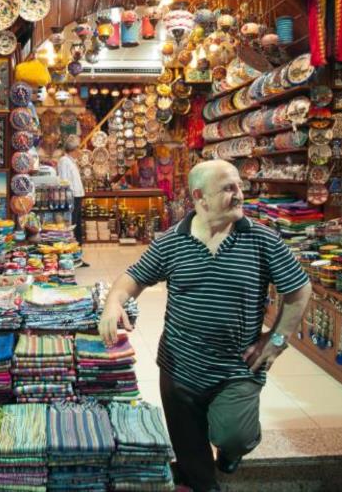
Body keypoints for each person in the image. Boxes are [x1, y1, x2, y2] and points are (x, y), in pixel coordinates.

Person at [98, 159, 312, 492]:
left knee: (235, 435)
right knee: (189, 446)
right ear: (200, 197)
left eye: (240, 186)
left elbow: (299, 291)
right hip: (179, 364)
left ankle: (230, 453)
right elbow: (132, 279)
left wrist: (278, 339)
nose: (240, 195)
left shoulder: (262, 240)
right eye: (229, 188)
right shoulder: (173, 241)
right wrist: (113, 303)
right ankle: (203, 483)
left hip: (237, 365)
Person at [57, 135, 89, 266]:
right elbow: (64, 182)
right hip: (72, 198)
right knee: (72, 228)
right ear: (74, 149)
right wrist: (68, 201)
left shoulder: (71, 161)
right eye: (79, 148)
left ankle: (77, 258)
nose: (80, 151)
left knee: (77, 228)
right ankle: (72, 259)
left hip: (76, 197)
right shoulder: (64, 161)